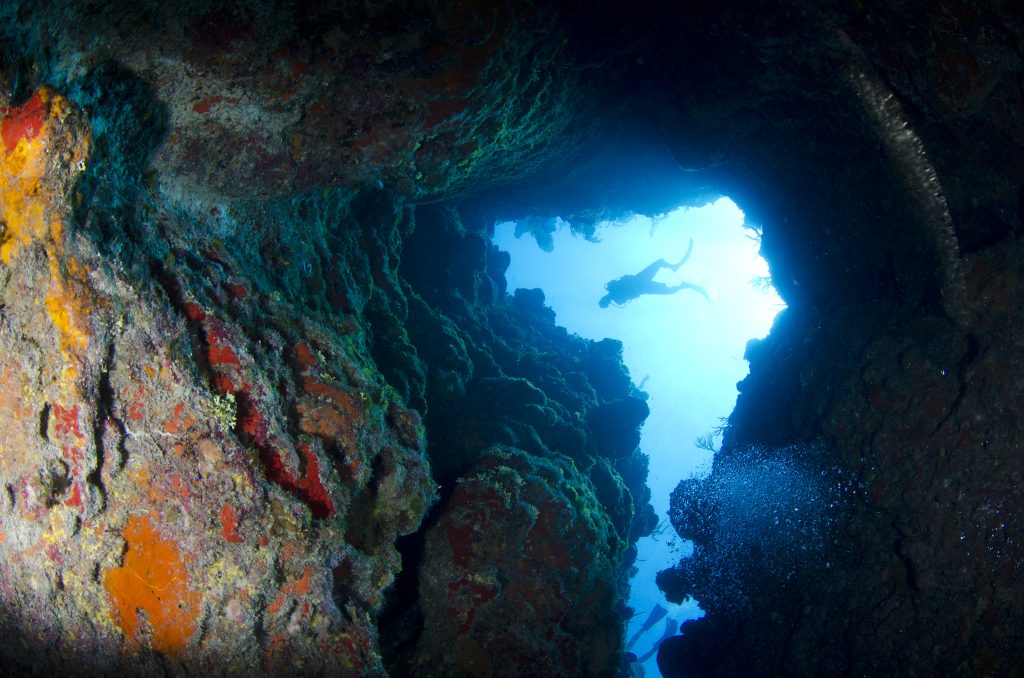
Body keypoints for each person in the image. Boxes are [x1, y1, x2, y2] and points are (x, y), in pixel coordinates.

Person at [599, 238, 711, 308]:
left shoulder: (611, 287)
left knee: (659, 263)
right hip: (643, 287)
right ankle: (684, 285)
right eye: (606, 302)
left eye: (604, 300)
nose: (607, 300)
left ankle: (675, 268)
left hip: (640, 280)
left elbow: (625, 280)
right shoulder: (617, 299)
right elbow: (631, 295)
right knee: (668, 290)